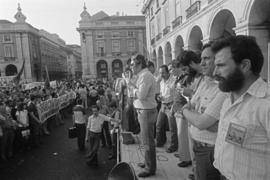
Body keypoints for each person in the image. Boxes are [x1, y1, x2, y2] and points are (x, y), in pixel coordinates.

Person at [212, 35, 270, 180]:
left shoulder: (266, 104)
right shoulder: (228, 97)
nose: (214, 73)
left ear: (244, 65)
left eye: (220, 65)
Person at [182, 43, 226, 180]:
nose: (202, 63)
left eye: (207, 59)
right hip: (197, 144)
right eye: (201, 59)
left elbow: (201, 122)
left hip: (209, 149)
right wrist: (191, 114)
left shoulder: (223, 88)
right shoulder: (205, 83)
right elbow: (189, 105)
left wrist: (188, 113)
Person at [129, 54, 157, 178]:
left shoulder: (145, 76)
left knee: (148, 142)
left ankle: (150, 168)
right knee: (145, 140)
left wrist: (132, 88)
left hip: (146, 111)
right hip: (144, 110)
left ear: (139, 64)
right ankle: (147, 162)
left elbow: (141, 95)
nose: (130, 66)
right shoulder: (142, 75)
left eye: (132, 64)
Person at [156, 65, 178, 153]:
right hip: (163, 105)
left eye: (163, 73)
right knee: (158, 124)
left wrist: (173, 105)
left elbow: (176, 94)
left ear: (168, 72)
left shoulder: (173, 81)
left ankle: (174, 146)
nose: (161, 75)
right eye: (160, 73)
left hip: (170, 105)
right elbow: (162, 93)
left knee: (173, 128)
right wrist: (159, 97)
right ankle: (160, 142)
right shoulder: (161, 82)